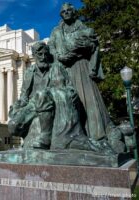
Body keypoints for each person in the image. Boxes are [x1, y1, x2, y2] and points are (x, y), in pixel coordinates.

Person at [48, 3, 125, 153]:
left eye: (69, 10)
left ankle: (96, 136)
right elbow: (51, 47)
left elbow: (93, 45)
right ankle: (69, 138)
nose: (66, 13)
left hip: (81, 67)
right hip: (64, 71)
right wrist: (60, 56)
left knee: (89, 101)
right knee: (66, 105)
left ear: (74, 12)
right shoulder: (56, 31)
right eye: (63, 12)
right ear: (61, 15)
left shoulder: (83, 28)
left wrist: (81, 50)